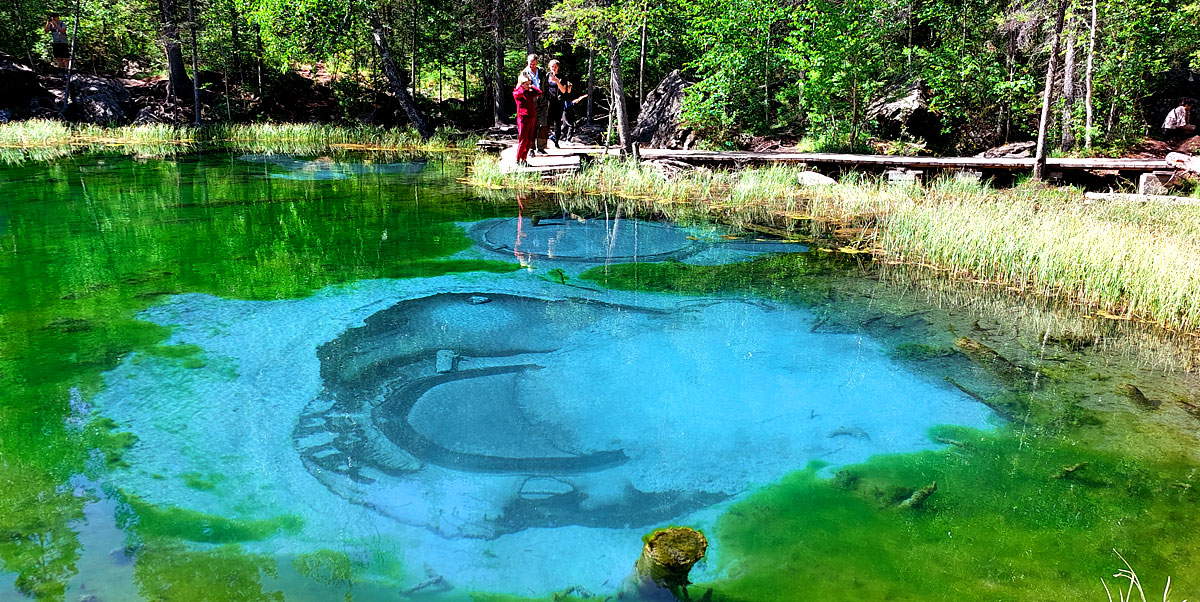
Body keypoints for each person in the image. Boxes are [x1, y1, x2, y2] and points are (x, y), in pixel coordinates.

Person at [520, 54, 551, 154]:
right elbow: (520, 87)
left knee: (543, 124)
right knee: (532, 125)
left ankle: (541, 147)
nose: (531, 66)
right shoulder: (524, 73)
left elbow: (546, 85)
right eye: (530, 64)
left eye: (533, 64)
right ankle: (531, 148)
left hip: (542, 101)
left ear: (537, 63)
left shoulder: (541, 71)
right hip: (531, 102)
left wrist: (546, 96)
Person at [513, 75, 541, 167]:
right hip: (523, 118)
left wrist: (531, 86)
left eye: (529, 84)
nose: (528, 86)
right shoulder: (517, 92)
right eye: (526, 84)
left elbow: (539, 92)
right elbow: (519, 94)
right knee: (523, 139)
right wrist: (522, 87)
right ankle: (517, 159)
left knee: (529, 140)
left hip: (531, 117)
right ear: (521, 84)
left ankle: (524, 159)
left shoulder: (529, 93)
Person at [546, 59, 573, 148]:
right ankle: (543, 142)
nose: (554, 68)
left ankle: (556, 141)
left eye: (555, 67)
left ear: (558, 67)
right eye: (552, 66)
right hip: (548, 101)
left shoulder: (562, 77)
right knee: (546, 121)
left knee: (557, 122)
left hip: (559, 102)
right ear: (549, 67)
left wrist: (557, 81)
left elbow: (563, 90)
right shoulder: (546, 76)